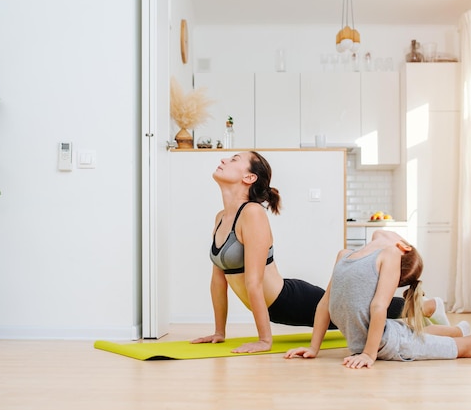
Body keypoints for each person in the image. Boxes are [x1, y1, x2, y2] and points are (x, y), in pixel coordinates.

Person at [191, 151, 448, 353]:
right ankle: (424, 308)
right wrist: (219, 332)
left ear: (249, 178)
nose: (224, 159)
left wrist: (264, 340)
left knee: (358, 311)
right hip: (280, 303)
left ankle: (428, 307)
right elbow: (218, 281)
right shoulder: (221, 218)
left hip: (289, 301)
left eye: (234, 159)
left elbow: (253, 282)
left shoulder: (252, 213)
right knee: (358, 309)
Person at [284, 229, 471, 367]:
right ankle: (456, 329)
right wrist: (313, 349)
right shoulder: (344, 255)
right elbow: (323, 305)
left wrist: (368, 355)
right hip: (384, 332)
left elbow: (378, 306)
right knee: (409, 328)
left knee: (469, 347)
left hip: (389, 342)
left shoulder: (388, 254)